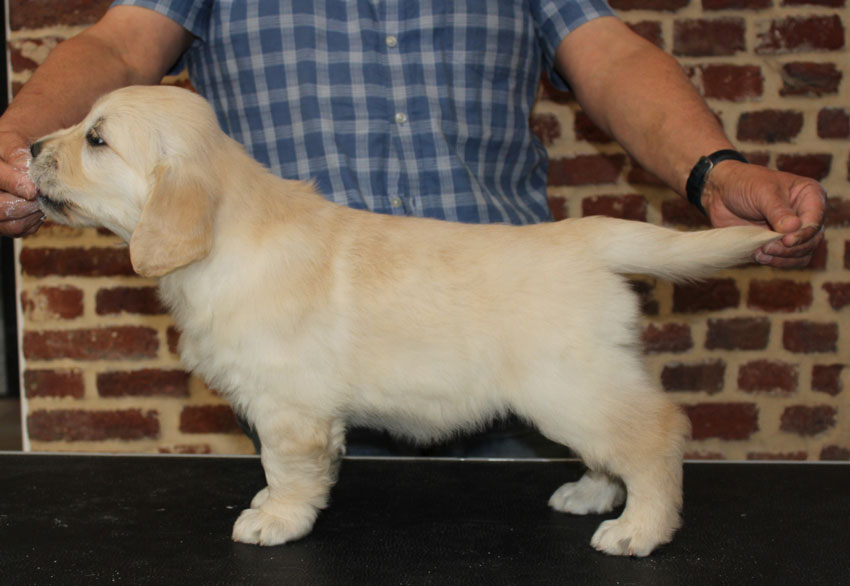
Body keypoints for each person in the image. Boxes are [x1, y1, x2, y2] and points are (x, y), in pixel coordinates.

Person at [0, 1, 826, 454]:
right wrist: (23, 142)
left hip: (500, 325)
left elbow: (610, 60)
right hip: (293, 335)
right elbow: (115, 49)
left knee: (553, 484)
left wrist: (717, 168)